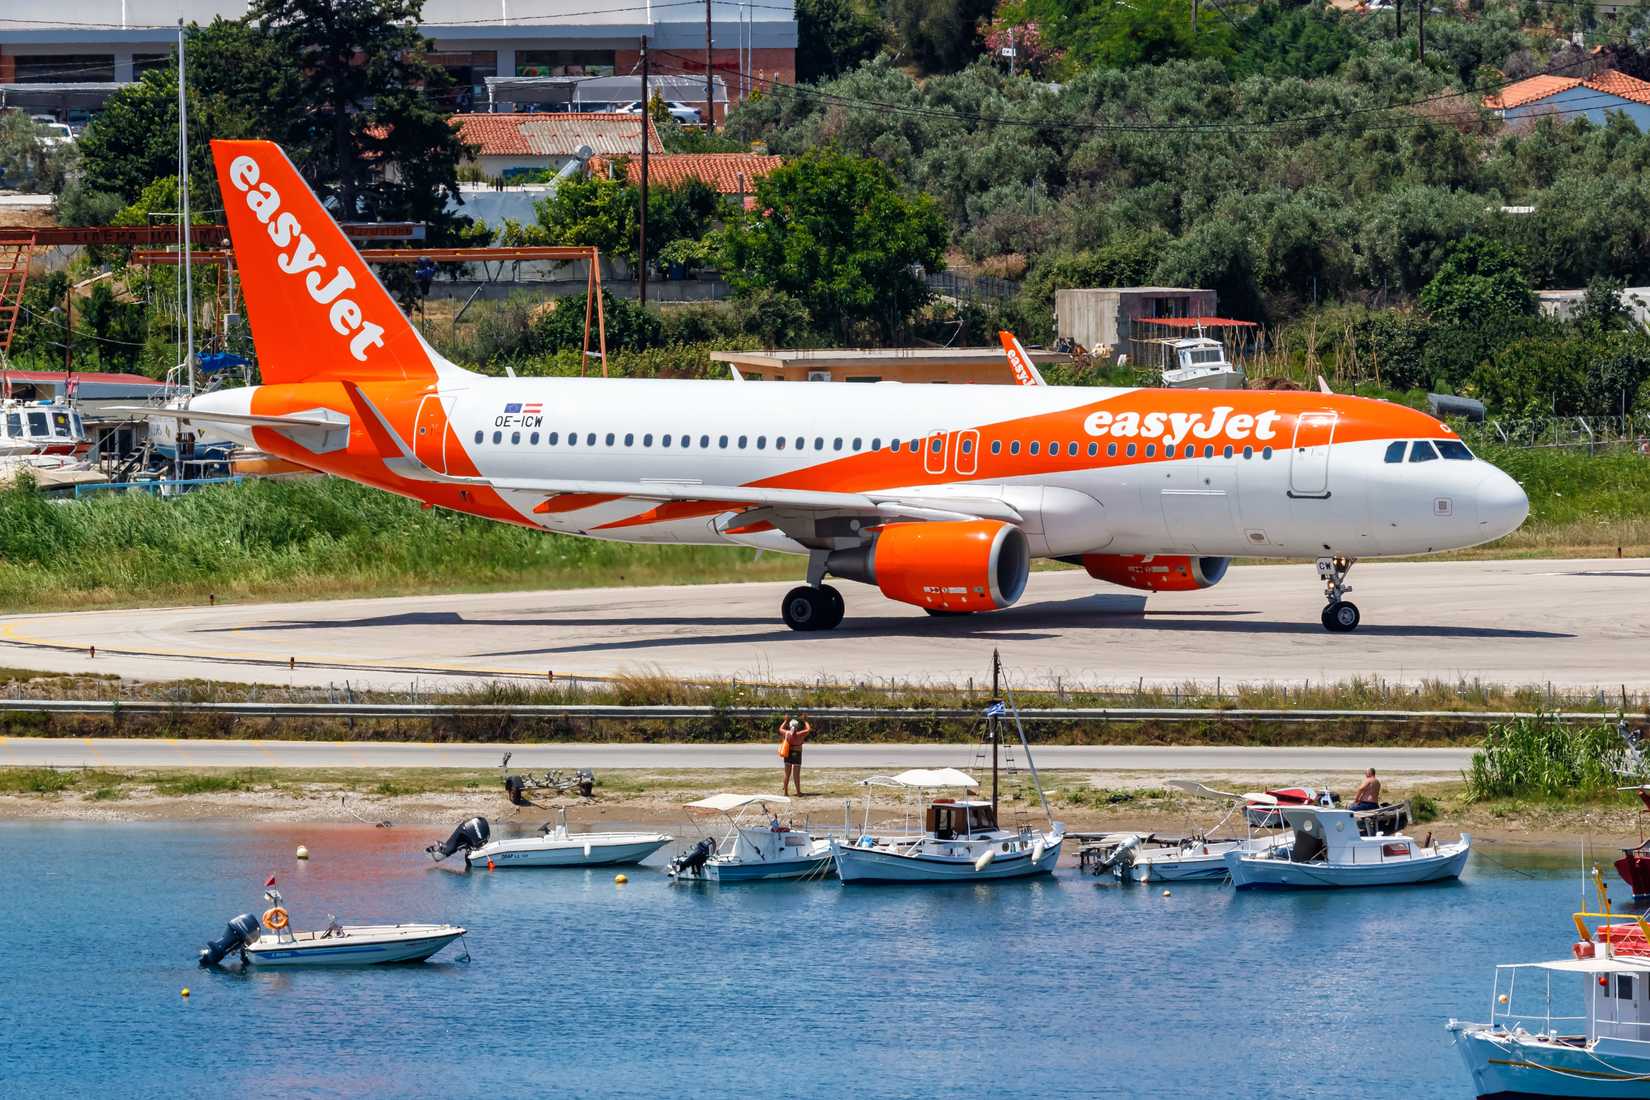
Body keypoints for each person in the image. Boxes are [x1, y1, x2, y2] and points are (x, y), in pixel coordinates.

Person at [779, 715, 812, 797]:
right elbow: (808, 729)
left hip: (788, 753)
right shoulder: (800, 734)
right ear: (797, 726)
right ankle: (798, 792)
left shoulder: (786, 733)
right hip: (797, 754)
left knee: (787, 774)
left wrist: (785, 721)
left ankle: (786, 792)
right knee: (796, 775)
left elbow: (780, 729)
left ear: (790, 726)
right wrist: (805, 721)